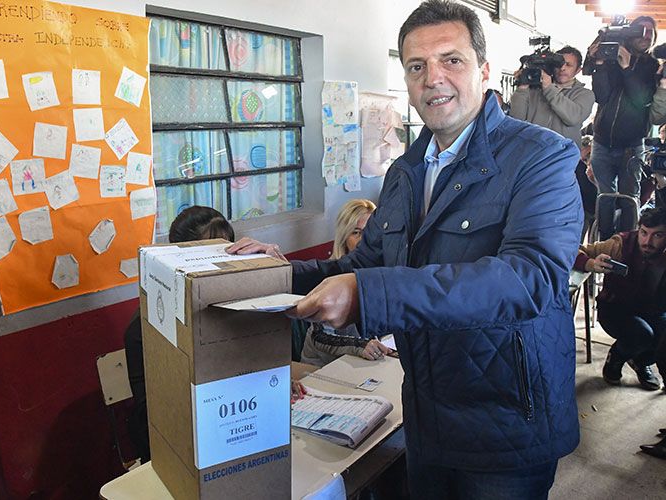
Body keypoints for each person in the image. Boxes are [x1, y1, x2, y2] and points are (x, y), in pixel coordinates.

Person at [229, 0, 583, 496]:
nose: (433, 77)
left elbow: (531, 279)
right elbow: (363, 264)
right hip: (425, 415)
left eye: (451, 60)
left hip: (505, 424)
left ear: (483, 71)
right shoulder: (405, 172)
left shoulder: (541, 156)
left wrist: (370, 294)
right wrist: (274, 273)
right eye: (417, 66)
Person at [125, 206, 236, 463]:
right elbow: (149, 414)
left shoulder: (233, 305)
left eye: (226, 252)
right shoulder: (146, 326)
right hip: (175, 447)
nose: (220, 266)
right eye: (207, 256)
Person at [572, 207, 666, 391]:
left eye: (657, 235)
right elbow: (574, 251)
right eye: (644, 233)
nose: (647, 241)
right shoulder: (620, 244)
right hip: (616, 309)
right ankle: (616, 358)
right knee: (642, 334)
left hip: (653, 311)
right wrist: (591, 263)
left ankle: (639, 361)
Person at [583, 16, 659, 239]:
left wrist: (626, 67)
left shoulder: (652, 65)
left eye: (650, 31)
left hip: (631, 144)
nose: (645, 35)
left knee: (629, 198)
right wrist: (599, 63)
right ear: (629, 32)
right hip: (602, 141)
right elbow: (602, 96)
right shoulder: (611, 58)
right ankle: (605, 245)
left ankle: (628, 245)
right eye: (640, 29)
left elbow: (641, 99)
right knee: (604, 196)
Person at [300, 199, 393, 366]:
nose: (363, 240)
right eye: (356, 233)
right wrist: (361, 346)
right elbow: (321, 337)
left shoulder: (384, 277)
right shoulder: (330, 278)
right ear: (344, 238)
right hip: (323, 372)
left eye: (369, 233)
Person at [510, 46, 595, 149]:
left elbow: (573, 118)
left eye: (568, 65)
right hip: (532, 151)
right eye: (558, 65)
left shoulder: (585, 94)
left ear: (578, 70)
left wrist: (548, 88)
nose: (562, 68)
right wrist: (522, 89)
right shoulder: (534, 89)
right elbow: (516, 119)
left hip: (562, 155)